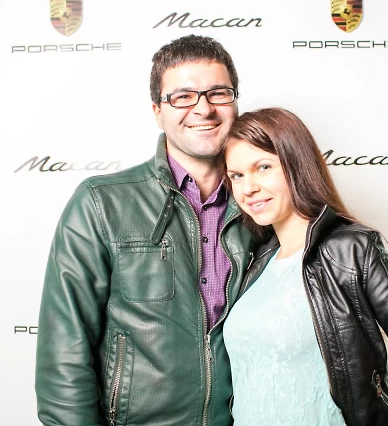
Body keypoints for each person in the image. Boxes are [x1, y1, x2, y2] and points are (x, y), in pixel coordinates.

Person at [35, 35, 254, 426]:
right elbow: (64, 353)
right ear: (157, 111)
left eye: (218, 93)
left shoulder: (263, 207)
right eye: (183, 96)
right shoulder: (102, 203)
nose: (203, 108)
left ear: (235, 101)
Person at [221, 108, 388, 425]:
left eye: (263, 167)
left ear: (296, 165)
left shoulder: (350, 250)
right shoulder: (257, 263)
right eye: (237, 176)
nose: (248, 188)